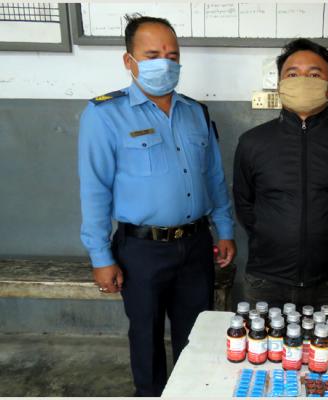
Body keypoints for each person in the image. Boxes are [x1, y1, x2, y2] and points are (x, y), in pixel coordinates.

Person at [78, 15, 236, 397]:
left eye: (172, 55)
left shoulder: (196, 112)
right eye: (151, 55)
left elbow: (214, 177)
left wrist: (225, 229)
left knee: (197, 335)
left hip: (197, 245)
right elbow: (95, 189)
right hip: (141, 250)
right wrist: (100, 256)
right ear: (128, 60)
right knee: (146, 336)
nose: (164, 63)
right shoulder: (105, 114)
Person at [233, 39, 328, 313]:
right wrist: (271, 234)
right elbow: (244, 204)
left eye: (314, 74)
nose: (302, 81)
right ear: (280, 85)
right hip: (266, 281)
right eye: (293, 74)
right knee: (264, 342)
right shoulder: (252, 142)